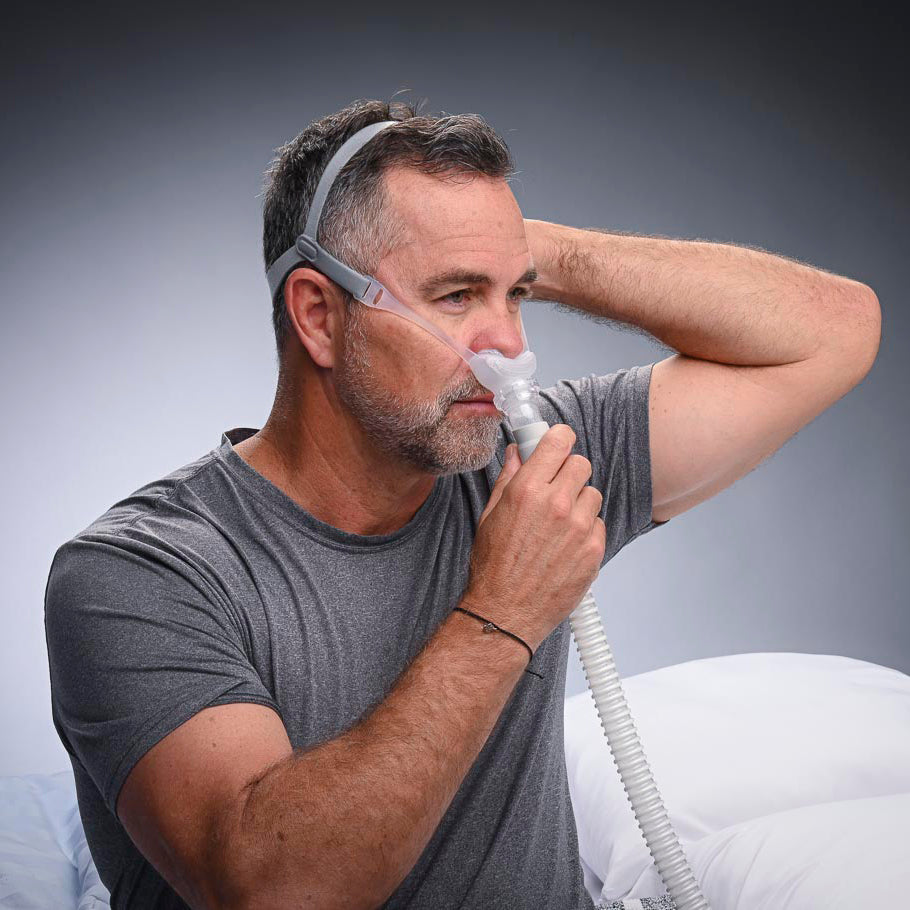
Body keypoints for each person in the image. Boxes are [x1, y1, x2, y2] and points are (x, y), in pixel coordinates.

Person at [44, 97, 881, 910]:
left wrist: (516, 254)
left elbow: (835, 331)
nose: (510, 348)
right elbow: (275, 888)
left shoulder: (526, 455)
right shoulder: (136, 574)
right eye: (455, 297)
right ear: (318, 316)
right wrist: (504, 609)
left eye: (513, 296)